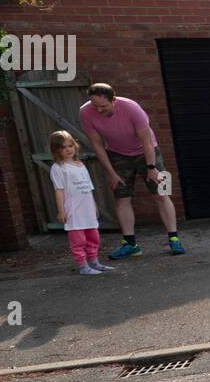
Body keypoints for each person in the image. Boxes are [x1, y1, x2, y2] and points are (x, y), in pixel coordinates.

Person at [78, 83, 185, 258]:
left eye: (103, 106)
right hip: (117, 154)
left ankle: (174, 239)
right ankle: (130, 244)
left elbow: (147, 140)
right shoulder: (85, 112)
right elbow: (97, 145)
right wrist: (111, 172)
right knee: (121, 198)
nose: (98, 110)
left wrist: (152, 168)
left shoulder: (132, 108)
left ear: (114, 100)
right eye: (94, 105)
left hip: (149, 152)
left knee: (162, 193)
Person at [49, 131, 113, 276]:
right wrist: (61, 211)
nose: (68, 149)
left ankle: (94, 262)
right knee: (78, 240)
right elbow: (59, 190)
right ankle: (83, 266)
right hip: (73, 210)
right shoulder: (58, 168)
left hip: (88, 208)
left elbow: (89, 188)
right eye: (63, 147)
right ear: (56, 149)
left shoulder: (80, 165)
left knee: (93, 236)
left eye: (70, 145)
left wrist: (94, 206)